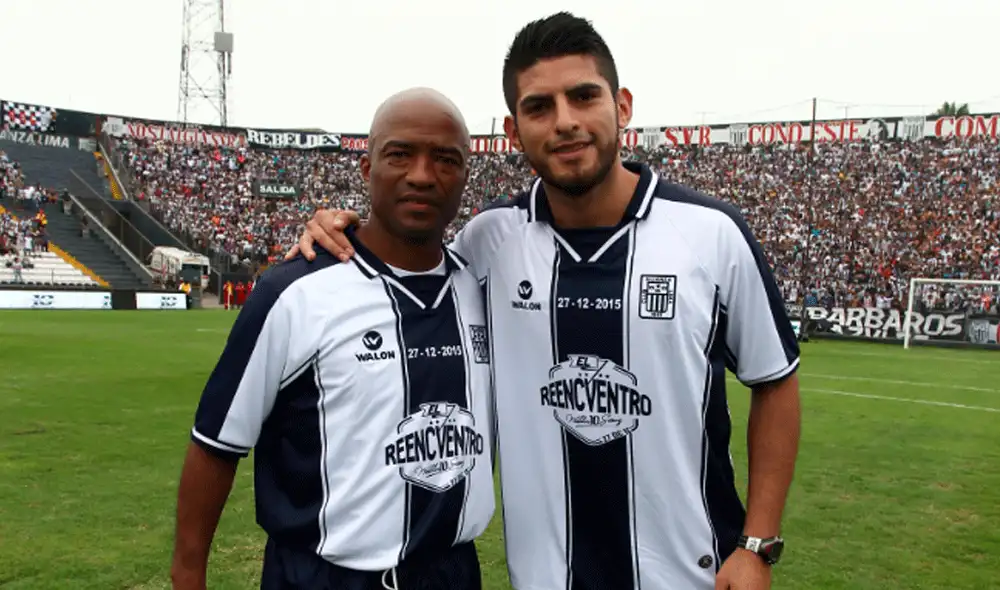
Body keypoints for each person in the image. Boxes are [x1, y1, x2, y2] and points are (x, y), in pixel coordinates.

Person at [288, 12, 801, 590]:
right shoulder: (489, 241)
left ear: (622, 105)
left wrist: (756, 545)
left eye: (583, 96)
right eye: (539, 107)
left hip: (690, 575)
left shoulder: (710, 234)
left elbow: (774, 379)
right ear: (513, 130)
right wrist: (337, 227)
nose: (565, 122)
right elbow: (406, 265)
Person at [171, 88, 495, 590]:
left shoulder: (481, 288)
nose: (422, 175)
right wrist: (188, 574)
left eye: (445, 159)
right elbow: (216, 443)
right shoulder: (295, 290)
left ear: (464, 177)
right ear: (367, 171)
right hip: (321, 577)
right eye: (400, 155)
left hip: (452, 572)